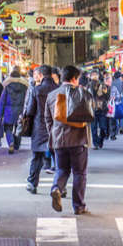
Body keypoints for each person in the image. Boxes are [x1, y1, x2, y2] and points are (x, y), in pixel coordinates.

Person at [45, 65, 92, 215]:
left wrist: (53, 135)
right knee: (79, 173)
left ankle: (56, 188)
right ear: (74, 78)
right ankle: (78, 206)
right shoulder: (82, 93)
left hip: (59, 139)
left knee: (62, 169)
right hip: (78, 139)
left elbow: (48, 119)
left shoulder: (52, 95)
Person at [24, 65, 56, 194]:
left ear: (41, 75)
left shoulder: (37, 90)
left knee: (37, 156)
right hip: (56, 126)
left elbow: (30, 110)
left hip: (39, 126)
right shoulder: (58, 89)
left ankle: (32, 183)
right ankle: (60, 186)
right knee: (58, 157)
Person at [0, 68, 28, 153]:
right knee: (19, 128)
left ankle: (11, 142)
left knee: (8, 128)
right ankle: (17, 145)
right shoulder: (24, 86)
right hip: (20, 110)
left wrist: (0, 113)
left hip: (8, 111)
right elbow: (27, 99)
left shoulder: (7, 86)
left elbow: (2, 100)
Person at [90, 71, 111, 149]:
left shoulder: (104, 85)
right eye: (93, 75)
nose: (94, 77)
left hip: (102, 109)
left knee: (103, 127)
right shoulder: (90, 85)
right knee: (93, 128)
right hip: (93, 109)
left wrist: (106, 90)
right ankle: (95, 143)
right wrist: (93, 82)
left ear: (98, 76)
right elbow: (92, 93)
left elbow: (107, 97)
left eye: (95, 75)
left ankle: (100, 140)